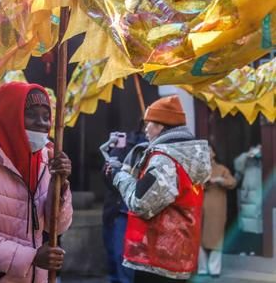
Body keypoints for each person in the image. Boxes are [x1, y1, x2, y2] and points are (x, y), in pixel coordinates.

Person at [0, 82, 73, 282]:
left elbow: (58, 227)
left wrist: (59, 184)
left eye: (46, 116)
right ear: (10, 117)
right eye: (32, 115)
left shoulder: (46, 160)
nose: (42, 123)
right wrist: (32, 257)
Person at [108, 95, 211, 283]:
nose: (146, 129)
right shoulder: (185, 156)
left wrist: (118, 175)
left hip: (158, 257)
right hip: (177, 254)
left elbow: (141, 203)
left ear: (162, 126)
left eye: (150, 123)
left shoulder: (166, 160)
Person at [101, 127, 147, 283]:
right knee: (113, 258)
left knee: (125, 263)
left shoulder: (153, 150)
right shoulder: (123, 147)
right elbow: (109, 181)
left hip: (133, 213)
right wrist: (113, 157)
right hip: (115, 210)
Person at [198, 144, 236, 277]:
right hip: (199, 209)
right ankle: (202, 268)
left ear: (214, 153)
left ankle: (215, 269)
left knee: (216, 240)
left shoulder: (221, 169)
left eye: (208, 150)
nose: (207, 153)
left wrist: (220, 180)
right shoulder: (199, 170)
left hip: (216, 211)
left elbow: (232, 182)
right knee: (198, 239)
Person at [233, 144, 263, 255]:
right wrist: (248, 154)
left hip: (260, 195)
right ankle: (246, 248)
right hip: (247, 197)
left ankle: (256, 249)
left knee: (258, 225)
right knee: (246, 224)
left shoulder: (263, 161)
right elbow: (237, 165)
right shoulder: (246, 160)